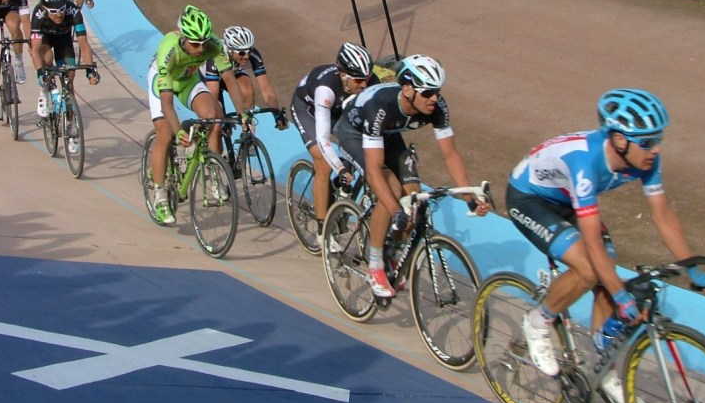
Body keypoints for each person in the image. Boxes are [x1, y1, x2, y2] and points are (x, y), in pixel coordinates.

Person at [506, 88, 705, 403]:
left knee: (607, 273)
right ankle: (538, 322)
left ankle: (604, 372)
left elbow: (662, 215)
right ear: (620, 140)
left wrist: (690, 267)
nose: (656, 148)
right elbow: (591, 242)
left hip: (569, 201)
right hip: (529, 198)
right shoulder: (584, 161)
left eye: (658, 139)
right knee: (593, 270)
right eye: (648, 142)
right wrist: (622, 296)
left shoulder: (647, 160)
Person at [334, 54, 490, 297]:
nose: (434, 98)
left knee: (414, 199)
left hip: (389, 133)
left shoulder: (436, 107)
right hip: (355, 132)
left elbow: (450, 154)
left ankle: (393, 250)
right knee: (392, 192)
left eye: (437, 91)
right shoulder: (381, 107)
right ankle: (374, 265)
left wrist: (469, 197)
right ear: (407, 89)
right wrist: (395, 210)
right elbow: (374, 170)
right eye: (427, 93)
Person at [147, 5, 244, 225]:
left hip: (188, 80)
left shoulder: (213, 45)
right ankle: (160, 195)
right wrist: (178, 130)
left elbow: (229, 78)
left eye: (203, 43)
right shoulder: (168, 51)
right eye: (194, 44)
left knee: (212, 114)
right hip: (164, 81)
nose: (200, 49)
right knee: (165, 135)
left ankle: (205, 162)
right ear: (183, 38)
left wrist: (243, 114)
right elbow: (167, 104)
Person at [291, 42, 379, 247]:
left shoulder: (369, 82)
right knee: (323, 163)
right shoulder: (326, 88)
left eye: (366, 78)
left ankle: (340, 190)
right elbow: (323, 139)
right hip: (309, 111)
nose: (364, 85)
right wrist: (339, 168)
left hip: (340, 110)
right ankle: (323, 232)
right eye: (358, 79)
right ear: (343, 74)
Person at [30, 0, 100, 153]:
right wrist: (40, 72)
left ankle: (71, 124)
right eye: (53, 11)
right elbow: (34, 49)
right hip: (45, 40)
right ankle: (44, 92)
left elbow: (83, 43)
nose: (59, 14)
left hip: (64, 41)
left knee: (69, 77)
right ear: (45, 9)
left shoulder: (74, 11)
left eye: (61, 9)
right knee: (46, 59)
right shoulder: (38, 14)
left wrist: (90, 69)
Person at [200, 25, 288, 127]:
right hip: (210, 80)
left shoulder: (253, 55)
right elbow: (213, 95)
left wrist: (276, 114)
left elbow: (265, 88)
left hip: (231, 73)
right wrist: (222, 120)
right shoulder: (216, 57)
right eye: (242, 53)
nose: (246, 56)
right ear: (230, 50)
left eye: (249, 51)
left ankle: (248, 129)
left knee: (247, 88)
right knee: (216, 124)